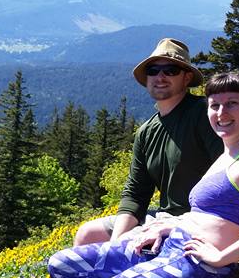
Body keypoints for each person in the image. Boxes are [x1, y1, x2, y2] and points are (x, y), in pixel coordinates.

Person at [48, 72, 239, 278]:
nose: (221, 112)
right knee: (60, 264)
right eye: (214, 105)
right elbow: (207, 214)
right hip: (170, 246)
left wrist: (222, 257)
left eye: (232, 103)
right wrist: (170, 226)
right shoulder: (227, 156)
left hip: (198, 267)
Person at [74, 38, 223, 246]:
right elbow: (136, 193)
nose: (160, 77)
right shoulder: (146, 132)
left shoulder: (204, 114)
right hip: (164, 216)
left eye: (171, 70)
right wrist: (116, 243)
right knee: (87, 234)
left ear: (187, 77)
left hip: (201, 220)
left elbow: (227, 170)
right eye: (153, 70)